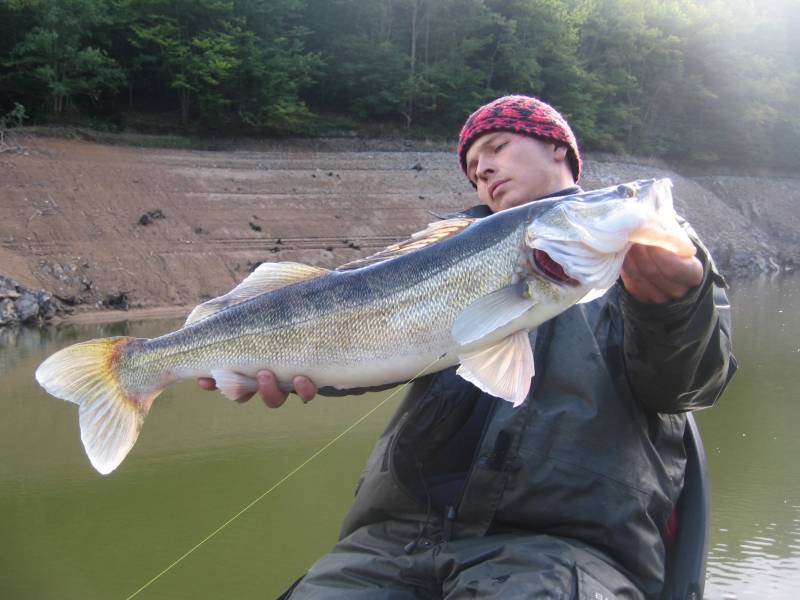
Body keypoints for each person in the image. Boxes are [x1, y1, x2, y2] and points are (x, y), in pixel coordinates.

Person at [198, 95, 737, 598]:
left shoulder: (658, 252)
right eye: (474, 164)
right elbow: (375, 347)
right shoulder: (449, 244)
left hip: (564, 548)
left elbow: (688, 385)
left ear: (559, 149)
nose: (482, 168)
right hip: (392, 539)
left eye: (498, 147)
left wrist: (672, 308)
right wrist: (287, 364)